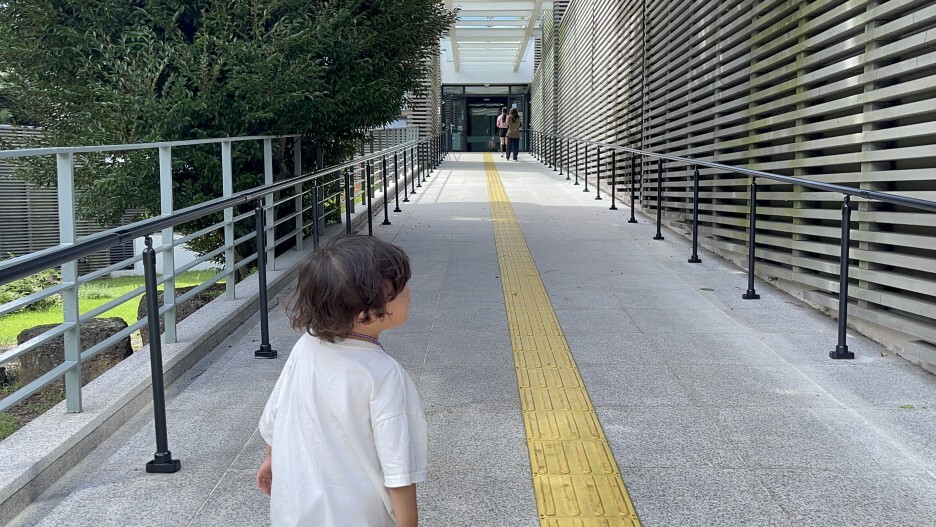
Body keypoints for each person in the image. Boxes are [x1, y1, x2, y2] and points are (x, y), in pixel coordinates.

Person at [256, 234, 427, 527]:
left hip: (295, 512)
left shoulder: (306, 345)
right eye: (398, 291)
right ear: (365, 315)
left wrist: (271, 458)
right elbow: (399, 470)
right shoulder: (385, 375)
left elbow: (277, 413)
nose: (409, 292)